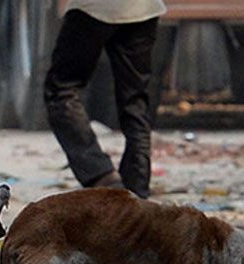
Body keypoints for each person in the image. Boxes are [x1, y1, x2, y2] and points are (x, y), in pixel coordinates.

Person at [44, 0, 166, 199]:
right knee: (135, 100)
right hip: (145, 9)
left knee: (61, 89)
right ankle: (138, 186)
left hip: (93, 9)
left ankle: (100, 173)